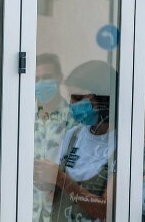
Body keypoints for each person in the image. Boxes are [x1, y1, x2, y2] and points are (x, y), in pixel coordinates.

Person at [34, 61, 117, 221]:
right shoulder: (73, 135)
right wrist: (45, 181)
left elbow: (107, 212)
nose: (72, 104)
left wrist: (60, 179)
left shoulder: (124, 147)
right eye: (71, 97)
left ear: (104, 101)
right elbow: (55, 195)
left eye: (79, 98)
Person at [33, 53, 72, 221]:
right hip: (23, 209)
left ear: (60, 78)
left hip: (60, 211)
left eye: (47, 77)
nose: (41, 83)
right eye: (36, 78)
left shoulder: (74, 120)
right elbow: (1, 168)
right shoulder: (19, 119)